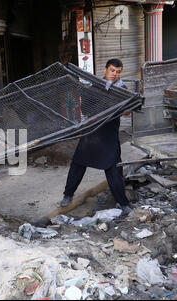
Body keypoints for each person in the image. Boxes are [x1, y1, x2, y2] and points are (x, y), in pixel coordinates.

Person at [60, 58, 133, 215]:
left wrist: (125, 106)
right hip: (92, 132)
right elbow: (85, 108)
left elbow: (128, 112)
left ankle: (123, 203)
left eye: (118, 72)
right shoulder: (95, 86)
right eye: (112, 70)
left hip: (109, 134)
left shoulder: (123, 89)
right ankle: (68, 195)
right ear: (105, 70)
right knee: (78, 164)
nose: (114, 74)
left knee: (114, 169)